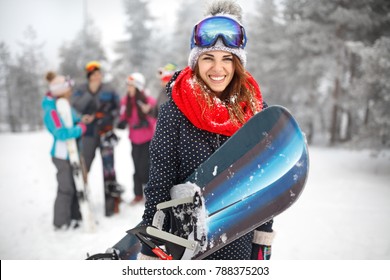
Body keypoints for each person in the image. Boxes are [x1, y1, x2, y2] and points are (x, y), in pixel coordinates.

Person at [138, 0, 275, 260]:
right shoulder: (175, 111)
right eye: (208, 58)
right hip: (188, 245)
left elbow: (263, 187)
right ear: (196, 61)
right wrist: (151, 249)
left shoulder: (255, 111)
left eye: (227, 59)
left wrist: (262, 247)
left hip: (238, 241)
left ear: (238, 64)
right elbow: (159, 182)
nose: (217, 68)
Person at [71, 61, 123, 217]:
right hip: (87, 135)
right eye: (93, 74)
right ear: (89, 76)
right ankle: (81, 203)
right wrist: (89, 94)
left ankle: (111, 204)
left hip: (106, 133)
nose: (97, 76)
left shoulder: (109, 88)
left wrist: (108, 119)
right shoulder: (80, 90)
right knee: (84, 167)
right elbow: (75, 108)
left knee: (109, 169)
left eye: (99, 73)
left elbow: (118, 108)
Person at [42, 72, 86, 230]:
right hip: (61, 155)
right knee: (66, 188)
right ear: (61, 90)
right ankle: (60, 223)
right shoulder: (52, 109)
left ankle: (75, 217)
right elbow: (60, 132)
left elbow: (74, 118)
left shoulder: (63, 103)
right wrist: (79, 129)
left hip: (72, 153)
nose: (71, 91)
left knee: (75, 186)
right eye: (68, 89)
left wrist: (81, 121)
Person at [117, 73, 157, 205]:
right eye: (128, 85)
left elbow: (156, 117)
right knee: (136, 166)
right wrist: (121, 122)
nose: (128, 88)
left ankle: (150, 192)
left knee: (146, 167)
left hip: (147, 138)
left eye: (131, 85)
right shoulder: (125, 101)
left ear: (138, 87)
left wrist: (147, 119)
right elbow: (123, 116)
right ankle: (138, 194)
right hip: (134, 139)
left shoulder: (148, 100)